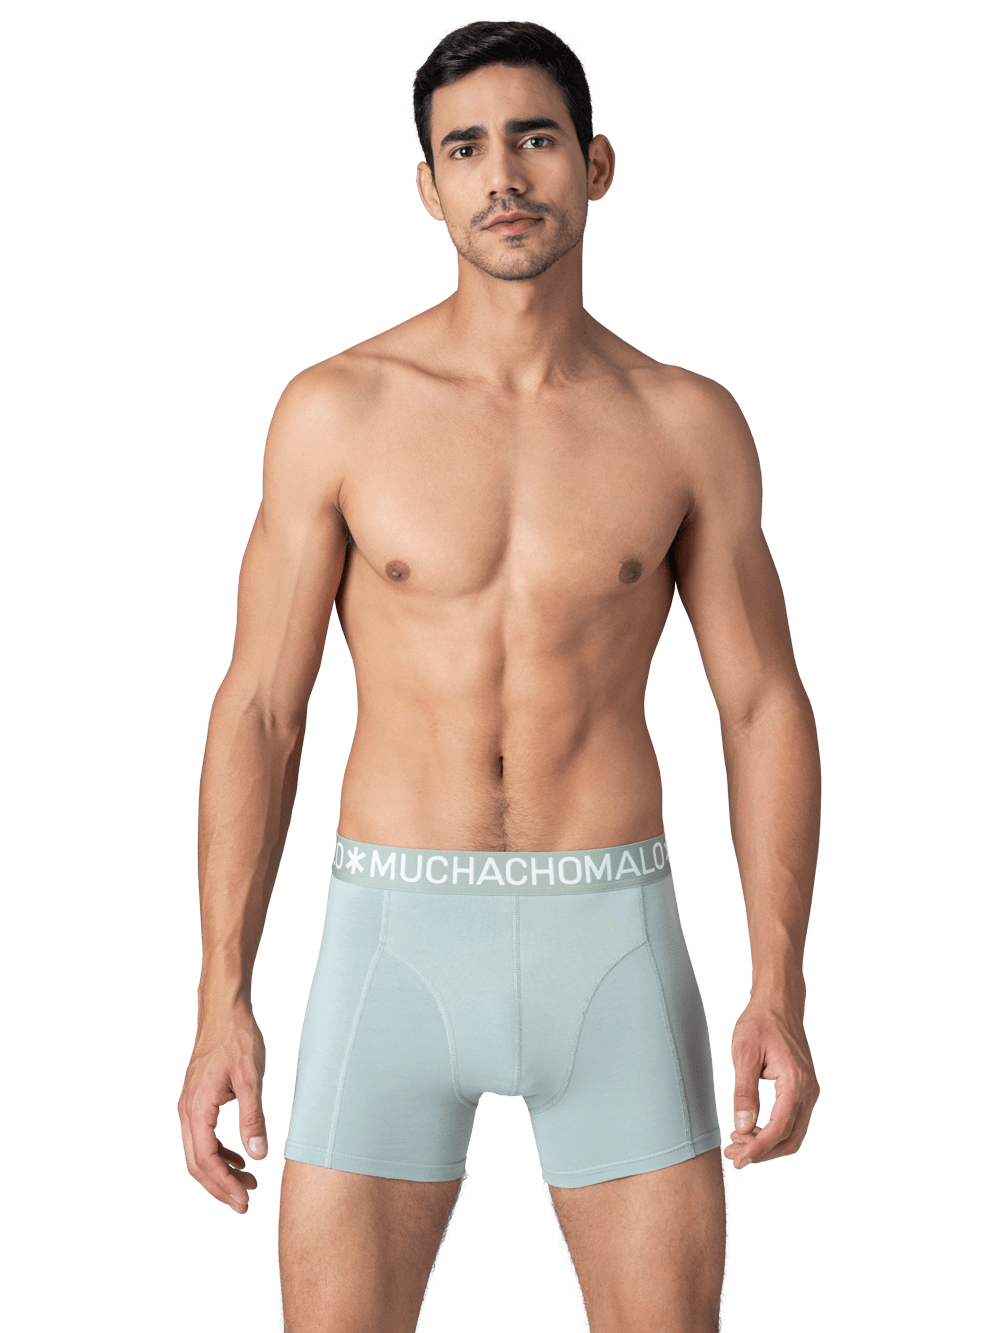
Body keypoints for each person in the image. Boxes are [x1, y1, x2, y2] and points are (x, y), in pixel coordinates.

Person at [177, 18, 821, 1333]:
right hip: (390, 937)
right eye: (465, 149)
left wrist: (781, 981)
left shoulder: (684, 422)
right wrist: (220, 993)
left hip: (614, 938)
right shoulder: (337, 409)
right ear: (428, 187)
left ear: (597, 164)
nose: (503, 176)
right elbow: (263, 708)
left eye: (535, 139)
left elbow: (760, 707)